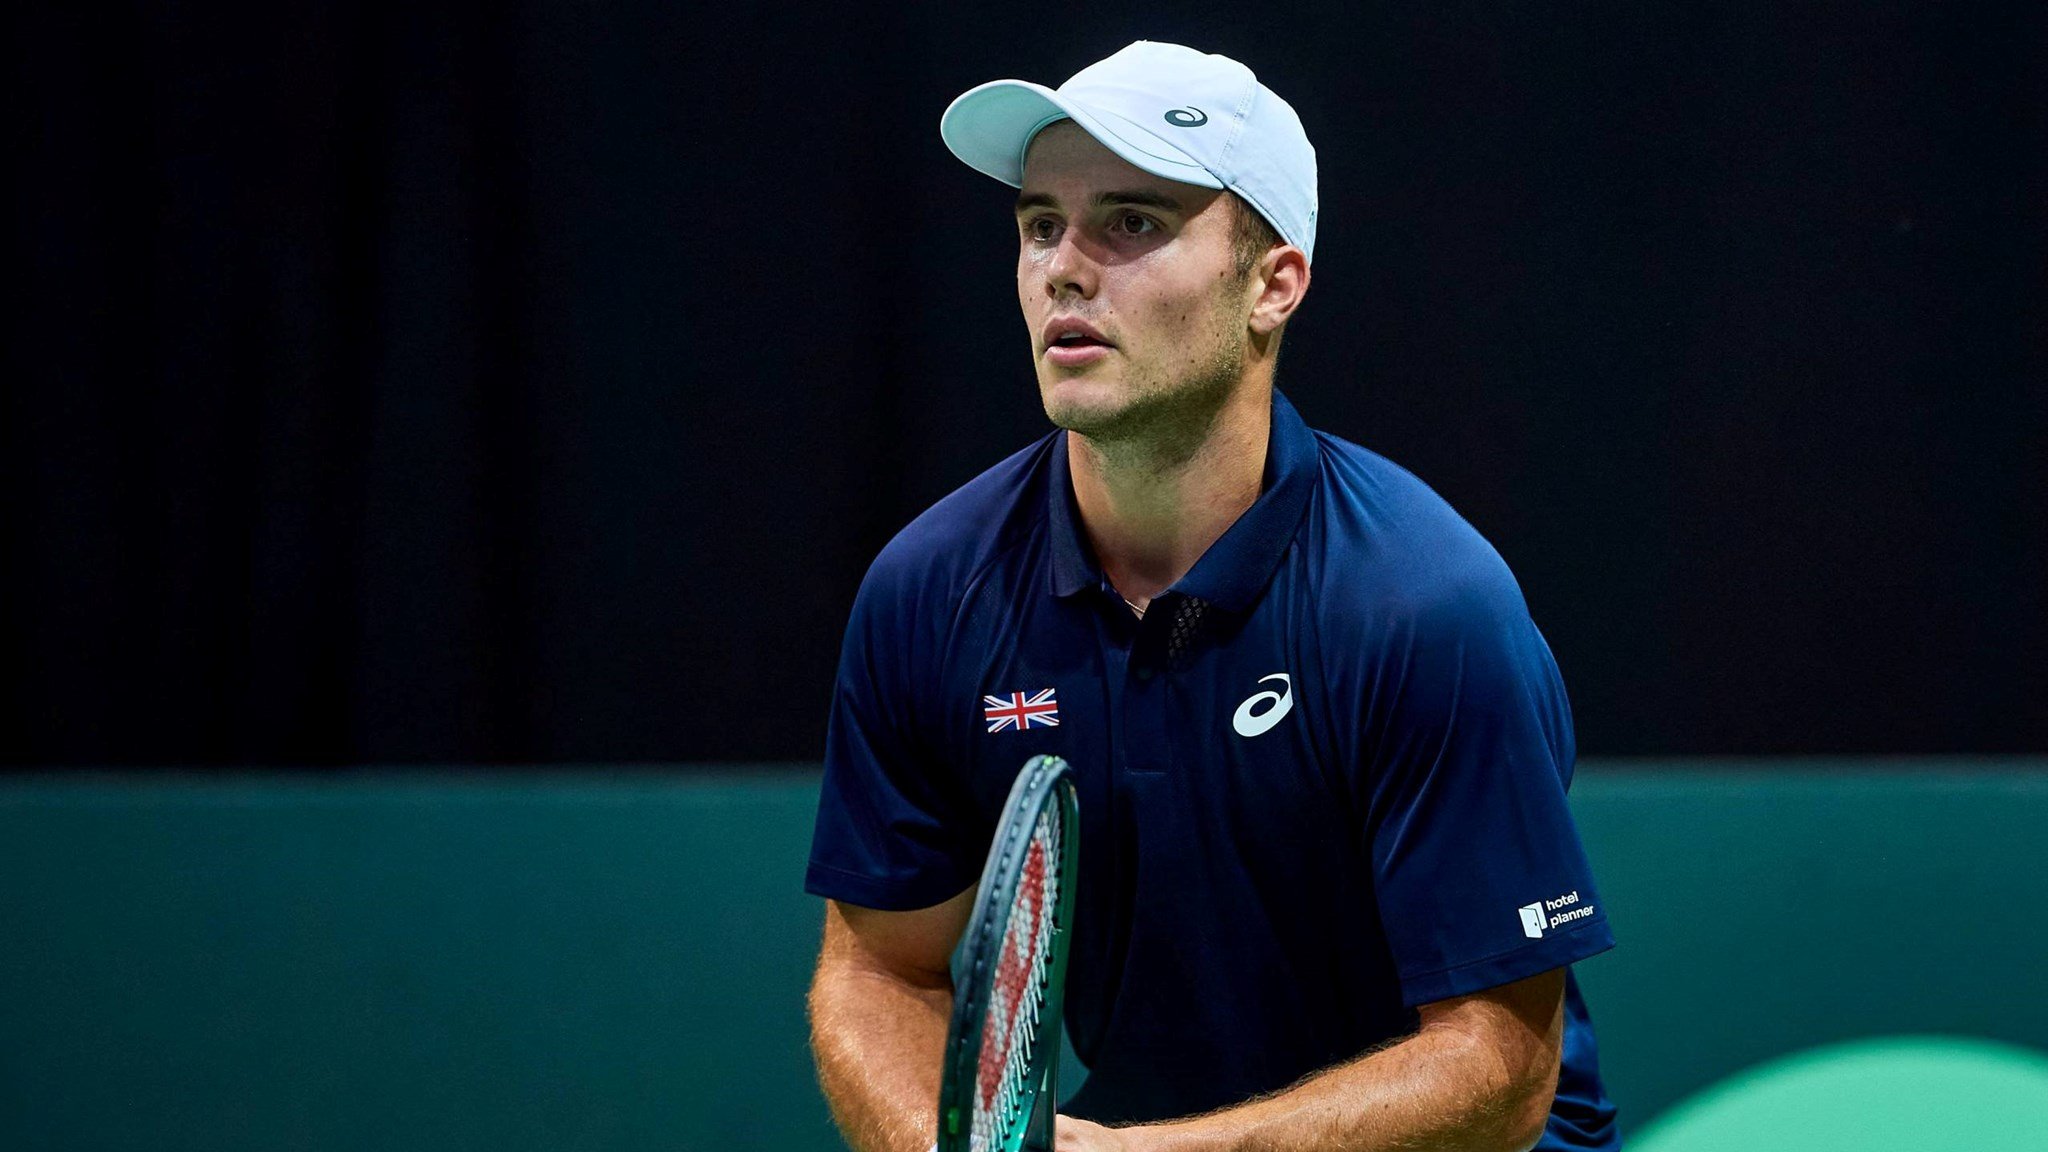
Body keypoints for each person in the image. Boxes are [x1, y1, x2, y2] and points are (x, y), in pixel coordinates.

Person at [804, 40, 1619, 1152]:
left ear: (1271, 285)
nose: (1063, 270)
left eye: (1130, 223)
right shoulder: (928, 591)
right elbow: (879, 966)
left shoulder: (1421, 606)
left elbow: (1499, 1067)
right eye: (1040, 224)